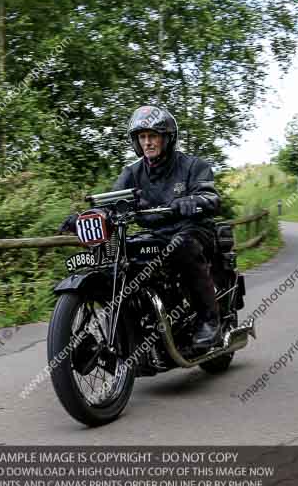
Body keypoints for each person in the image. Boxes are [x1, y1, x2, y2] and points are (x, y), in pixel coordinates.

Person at [59, 106, 222, 349]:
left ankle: (209, 319)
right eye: (142, 137)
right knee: (124, 255)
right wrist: (89, 215)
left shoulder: (192, 166)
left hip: (193, 229)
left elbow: (211, 196)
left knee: (181, 246)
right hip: (155, 234)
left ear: (167, 138)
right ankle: (136, 322)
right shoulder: (132, 172)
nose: (147, 142)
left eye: (153, 136)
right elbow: (113, 202)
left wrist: (194, 201)